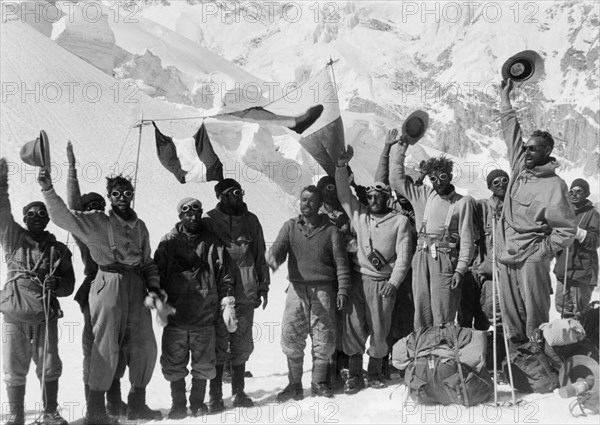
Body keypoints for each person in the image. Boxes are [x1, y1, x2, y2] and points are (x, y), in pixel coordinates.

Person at [38, 169, 163, 424]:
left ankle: (137, 403)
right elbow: (63, 217)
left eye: (127, 193)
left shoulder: (140, 228)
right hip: (108, 285)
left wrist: (153, 286)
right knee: (104, 347)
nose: (122, 198)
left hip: (137, 288)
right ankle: (96, 410)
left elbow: (147, 261)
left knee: (144, 345)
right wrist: (48, 189)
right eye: (116, 193)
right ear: (109, 196)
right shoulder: (97, 222)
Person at [497, 78, 576, 345]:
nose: (527, 151)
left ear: (547, 151)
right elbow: (511, 132)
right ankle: (520, 367)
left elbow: (566, 229)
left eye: (533, 149)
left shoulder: (555, 186)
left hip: (532, 258)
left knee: (535, 317)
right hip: (506, 254)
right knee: (510, 314)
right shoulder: (520, 169)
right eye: (526, 148)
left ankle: (541, 365)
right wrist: (505, 98)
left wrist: (541, 252)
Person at [0, 158, 75, 425]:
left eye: (41, 214)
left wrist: (59, 286)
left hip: (45, 315)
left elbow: (69, 284)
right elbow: (1, 211)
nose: (36, 218)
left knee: (50, 365)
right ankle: (16, 417)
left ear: (47, 219)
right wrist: (1, 184)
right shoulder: (13, 239)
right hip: (14, 314)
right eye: (30, 214)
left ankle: (50, 412)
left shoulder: (58, 249)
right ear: (23, 218)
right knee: (14, 367)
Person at [336, 145, 413, 394]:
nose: (374, 200)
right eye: (370, 197)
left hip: (383, 283)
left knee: (380, 331)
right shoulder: (359, 215)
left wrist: (394, 282)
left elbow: (403, 257)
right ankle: (355, 375)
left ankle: (376, 372)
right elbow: (344, 194)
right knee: (354, 328)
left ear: (387, 198)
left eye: (379, 197)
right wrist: (340, 167)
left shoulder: (399, 221)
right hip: (359, 279)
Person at [266, 185, 350, 401]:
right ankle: (294, 384)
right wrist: (272, 258)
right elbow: (279, 249)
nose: (306, 204)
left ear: (319, 204)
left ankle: (319, 382)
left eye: (311, 201)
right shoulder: (290, 227)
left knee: (323, 337)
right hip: (296, 289)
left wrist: (342, 290)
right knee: (291, 335)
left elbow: (342, 264)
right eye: (303, 200)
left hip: (324, 290)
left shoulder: (331, 230)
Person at [154, 197, 235, 419]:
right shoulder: (167, 243)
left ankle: (198, 403)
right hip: (176, 317)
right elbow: (156, 274)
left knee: (203, 364)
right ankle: (178, 404)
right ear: (180, 215)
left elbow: (224, 275)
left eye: (196, 213)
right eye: (187, 213)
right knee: (173, 364)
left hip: (204, 316)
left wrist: (228, 301)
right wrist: (158, 298)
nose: (192, 217)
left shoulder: (212, 243)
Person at [65, 142, 127, 417]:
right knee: (95, 350)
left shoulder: (114, 227)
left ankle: (114, 402)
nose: (95, 210)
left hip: (119, 292)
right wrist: (72, 169)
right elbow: (71, 205)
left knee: (117, 347)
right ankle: (95, 407)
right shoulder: (84, 230)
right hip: (94, 292)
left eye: (99, 205)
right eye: (89, 207)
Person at [390, 138, 476, 333]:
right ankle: (424, 358)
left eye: (443, 177)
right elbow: (396, 180)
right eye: (434, 179)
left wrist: (460, 270)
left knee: (443, 314)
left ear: (450, 175)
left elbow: (467, 240)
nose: (438, 183)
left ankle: (443, 359)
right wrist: (400, 150)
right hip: (421, 256)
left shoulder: (462, 203)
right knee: (421, 313)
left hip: (445, 259)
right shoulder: (423, 195)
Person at [206, 179, 270, 411]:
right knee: (219, 343)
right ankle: (214, 396)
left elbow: (260, 254)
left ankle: (239, 392)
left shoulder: (251, 221)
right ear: (220, 196)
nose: (239, 196)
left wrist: (263, 286)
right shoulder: (209, 222)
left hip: (245, 291)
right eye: (233, 193)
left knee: (241, 343)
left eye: (240, 192)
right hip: (217, 292)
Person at [554, 178, 599, 319]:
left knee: (579, 308)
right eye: (571, 191)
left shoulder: (593, 214)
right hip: (564, 268)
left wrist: (579, 233)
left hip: (582, 271)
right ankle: (565, 337)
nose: (574, 194)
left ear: (586, 194)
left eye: (579, 191)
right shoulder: (564, 212)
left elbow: (595, 241)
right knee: (561, 306)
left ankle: (581, 338)